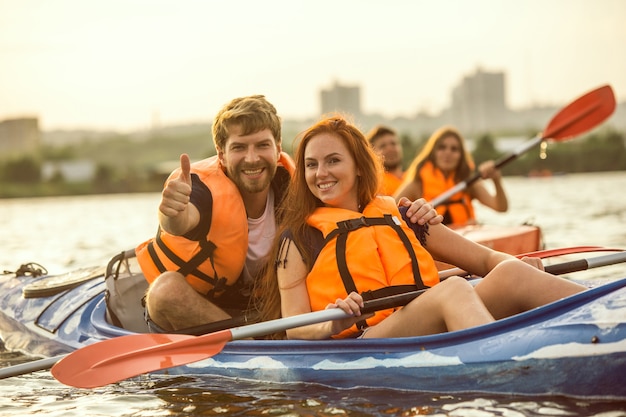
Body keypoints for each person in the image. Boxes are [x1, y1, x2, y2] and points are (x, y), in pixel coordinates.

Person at [259, 115, 585, 340]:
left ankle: (608, 313)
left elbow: (486, 261)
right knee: (455, 289)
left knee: (511, 272)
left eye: (333, 160)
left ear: (359, 166)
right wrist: (331, 323)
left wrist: (519, 265)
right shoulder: (297, 240)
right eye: (311, 164)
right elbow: (295, 326)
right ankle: (507, 361)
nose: (321, 173)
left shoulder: (404, 215)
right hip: (367, 338)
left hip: (429, 316)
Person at [136, 96, 441, 333]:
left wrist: (408, 214)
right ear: (221, 154)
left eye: (262, 145)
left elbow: (358, 208)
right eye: (239, 147)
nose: (252, 158)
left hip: (280, 308)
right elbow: (180, 222)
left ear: (278, 147)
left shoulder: (300, 186)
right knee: (163, 291)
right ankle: (256, 350)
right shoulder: (202, 193)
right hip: (215, 310)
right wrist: (172, 212)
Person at [394, 126, 508, 227]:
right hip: (432, 244)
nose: (447, 153)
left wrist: (496, 180)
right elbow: (390, 209)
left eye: (454, 149)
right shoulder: (417, 183)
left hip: (466, 238)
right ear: (433, 152)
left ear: (461, 155)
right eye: (442, 147)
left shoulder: (469, 183)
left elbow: (501, 207)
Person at [365, 125, 404, 195]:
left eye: (393, 144)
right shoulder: (375, 185)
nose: (390, 149)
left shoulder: (414, 177)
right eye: (383, 146)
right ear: (372, 154)